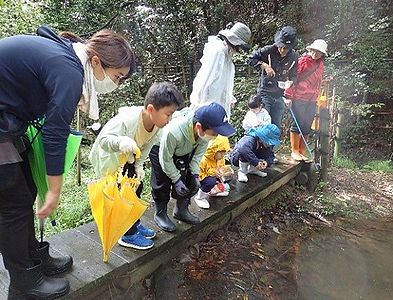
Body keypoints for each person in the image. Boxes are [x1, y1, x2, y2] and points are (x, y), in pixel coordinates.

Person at [0, 26, 136, 299]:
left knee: (25, 190)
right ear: (96, 61)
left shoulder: (68, 59)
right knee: (12, 204)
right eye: (117, 77)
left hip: (8, 122)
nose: (116, 84)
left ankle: (35, 260)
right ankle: (23, 283)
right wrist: (55, 188)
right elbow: (55, 131)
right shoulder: (70, 70)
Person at [89, 81, 184, 249]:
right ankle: (127, 234)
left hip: (129, 158)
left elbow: (147, 145)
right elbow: (103, 141)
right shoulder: (127, 121)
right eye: (167, 114)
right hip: (111, 160)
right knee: (122, 197)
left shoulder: (157, 124)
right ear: (150, 109)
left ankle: (134, 223)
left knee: (136, 189)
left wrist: (139, 165)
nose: (169, 120)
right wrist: (120, 142)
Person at [149, 102, 235, 232]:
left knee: (187, 175)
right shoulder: (173, 132)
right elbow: (165, 160)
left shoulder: (203, 135)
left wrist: (195, 176)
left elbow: (196, 158)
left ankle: (181, 210)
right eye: (214, 132)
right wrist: (176, 180)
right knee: (162, 181)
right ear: (199, 127)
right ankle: (160, 213)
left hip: (185, 148)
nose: (216, 136)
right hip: (161, 149)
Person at [190, 22, 251, 119]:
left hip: (218, 105)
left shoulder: (226, 55)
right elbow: (205, 80)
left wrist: (229, 97)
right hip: (208, 104)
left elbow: (224, 82)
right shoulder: (218, 52)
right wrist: (198, 104)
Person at [285, 39, 328, 161]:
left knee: (307, 125)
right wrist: (288, 96)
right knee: (297, 123)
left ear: (322, 54)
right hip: (299, 97)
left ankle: (302, 151)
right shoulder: (303, 61)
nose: (315, 54)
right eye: (314, 51)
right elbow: (292, 78)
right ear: (310, 50)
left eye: (318, 52)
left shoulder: (320, 64)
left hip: (312, 99)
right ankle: (294, 151)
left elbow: (318, 81)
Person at [248, 26, 299, 128]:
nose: (283, 50)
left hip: (280, 95)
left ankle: (273, 144)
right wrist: (265, 65)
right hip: (265, 93)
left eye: (286, 48)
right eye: (281, 47)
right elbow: (250, 59)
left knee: (275, 127)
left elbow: (294, 75)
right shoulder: (268, 50)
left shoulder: (294, 56)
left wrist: (291, 82)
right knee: (262, 124)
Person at [194, 135, 233, 209]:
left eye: (224, 152)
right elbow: (199, 176)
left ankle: (213, 191)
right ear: (213, 150)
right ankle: (200, 197)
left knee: (228, 178)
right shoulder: (203, 160)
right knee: (210, 182)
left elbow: (221, 167)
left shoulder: (220, 159)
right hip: (203, 179)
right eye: (220, 152)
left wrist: (225, 172)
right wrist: (213, 173)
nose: (223, 155)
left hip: (215, 176)